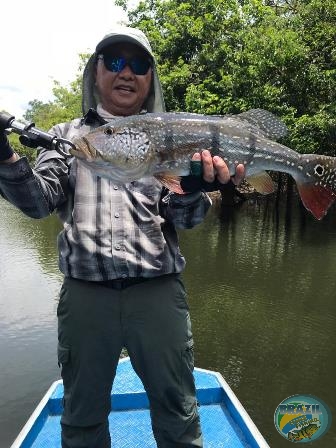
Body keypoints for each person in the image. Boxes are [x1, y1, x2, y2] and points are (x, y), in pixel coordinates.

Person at [0, 26, 244, 448]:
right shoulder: (67, 137)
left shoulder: (177, 133)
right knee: (81, 417)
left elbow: (184, 221)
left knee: (179, 413)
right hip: (85, 298)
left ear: (150, 78)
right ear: (95, 73)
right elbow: (38, 202)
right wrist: (4, 156)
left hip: (158, 293)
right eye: (113, 62)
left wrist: (197, 189)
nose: (125, 72)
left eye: (138, 63)